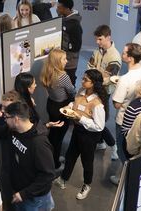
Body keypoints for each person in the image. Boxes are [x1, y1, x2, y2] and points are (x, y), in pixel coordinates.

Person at [55, 69, 108, 200]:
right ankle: (63, 179)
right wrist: (69, 106)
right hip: (77, 131)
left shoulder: (97, 103)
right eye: (83, 78)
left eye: (86, 80)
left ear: (94, 83)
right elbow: (75, 102)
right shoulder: (81, 91)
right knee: (70, 156)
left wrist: (80, 119)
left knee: (87, 161)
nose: (82, 81)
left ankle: (87, 185)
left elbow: (99, 126)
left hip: (89, 135)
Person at [110, 43, 141, 184]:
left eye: (124, 53)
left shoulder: (125, 79)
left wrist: (117, 86)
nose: (122, 54)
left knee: (123, 151)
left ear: (130, 58)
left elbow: (117, 104)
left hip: (125, 120)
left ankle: (127, 178)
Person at [87, 24, 121, 153]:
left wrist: (94, 78)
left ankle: (113, 147)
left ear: (108, 37)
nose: (97, 42)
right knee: (94, 117)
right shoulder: (97, 51)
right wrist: (95, 76)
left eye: (100, 39)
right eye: (96, 39)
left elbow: (108, 78)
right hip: (95, 88)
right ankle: (100, 143)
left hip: (104, 92)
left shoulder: (115, 57)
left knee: (98, 121)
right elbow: (89, 66)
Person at [40, 49, 75, 170]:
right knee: (58, 137)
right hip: (62, 107)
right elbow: (72, 91)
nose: (67, 61)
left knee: (53, 134)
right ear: (57, 61)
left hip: (51, 104)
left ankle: (49, 157)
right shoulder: (63, 76)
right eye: (64, 59)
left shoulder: (46, 71)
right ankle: (55, 163)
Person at [57, 0, 83, 86]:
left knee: (70, 81)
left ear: (66, 9)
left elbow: (76, 46)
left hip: (70, 61)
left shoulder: (75, 25)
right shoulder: (62, 17)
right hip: (62, 58)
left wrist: (63, 48)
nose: (57, 9)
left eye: (59, 8)